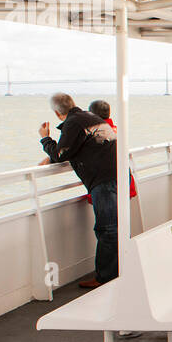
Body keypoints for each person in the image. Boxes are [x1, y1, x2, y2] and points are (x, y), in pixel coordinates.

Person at [39, 93, 119, 289]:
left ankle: (106, 278)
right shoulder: (92, 118)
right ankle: (113, 273)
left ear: (58, 113)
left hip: (104, 181)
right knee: (113, 228)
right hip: (116, 175)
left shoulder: (73, 123)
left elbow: (60, 154)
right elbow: (79, 148)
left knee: (107, 230)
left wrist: (45, 139)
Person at [86, 101, 137, 200]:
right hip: (124, 179)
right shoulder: (117, 130)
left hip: (106, 182)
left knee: (107, 215)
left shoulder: (96, 133)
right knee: (121, 214)